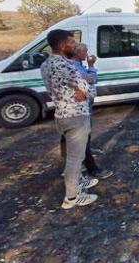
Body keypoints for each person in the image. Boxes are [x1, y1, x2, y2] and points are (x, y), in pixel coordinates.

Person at [41, 29, 99, 209]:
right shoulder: (65, 66)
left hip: (61, 114)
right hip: (76, 116)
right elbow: (91, 90)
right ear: (62, 45)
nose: (75, 46)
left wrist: (81, 89)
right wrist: (85, 90)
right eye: (72, 43)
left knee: (73, 155)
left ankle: (79, 182)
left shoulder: (46, 64)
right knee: (76, 158)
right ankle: (72, 198)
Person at [65, 43, 112, 180]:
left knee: (83, 136)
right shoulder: (73, 66)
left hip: (84, 106)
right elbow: (91, 80)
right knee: (82, 136)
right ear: (77, 53)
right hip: (79, 107)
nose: (87, 54)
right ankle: (90, 167)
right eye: (85, 52)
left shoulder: (79, 64)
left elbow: (91, 80)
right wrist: (90, 68)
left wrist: (89, 71)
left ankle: (83, 160)